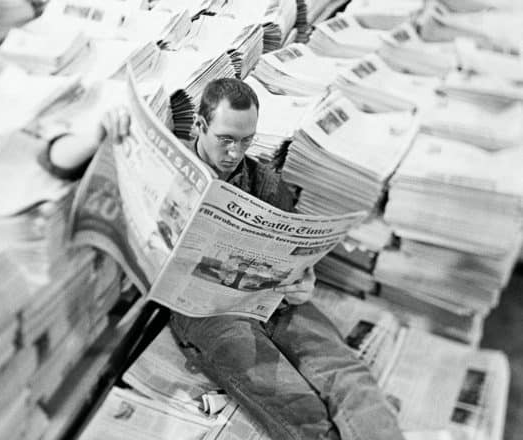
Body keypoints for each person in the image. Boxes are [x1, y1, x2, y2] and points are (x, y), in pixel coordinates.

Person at [39, 78, 404, 440]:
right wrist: (97, 133)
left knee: (348, 374)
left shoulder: (264, 181)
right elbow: (53, 160)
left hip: (271, 302)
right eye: (226, 139)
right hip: (207, 311)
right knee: (292, 402)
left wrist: (303, 283)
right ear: (200, 125)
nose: (235, 152)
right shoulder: (163, 161)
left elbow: (296, 260)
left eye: (246, 140)